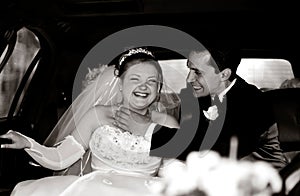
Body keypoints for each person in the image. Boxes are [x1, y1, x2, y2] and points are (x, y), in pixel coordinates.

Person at [0, 47, 180, 196]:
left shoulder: (168, 122)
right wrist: (28, 144)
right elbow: (61, 159)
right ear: (120, 84)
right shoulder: (98, 115)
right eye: (135, 79)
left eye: (152, 81)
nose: (144, 86)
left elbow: (176, 172)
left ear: (158, 89)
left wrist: (148, 129)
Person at [176, 47, 288, 169]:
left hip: (263, 177)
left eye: (197, 72)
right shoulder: (193, 100)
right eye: (189, 69)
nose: (189, 79)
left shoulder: (254, 102)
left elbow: (225, 152)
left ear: (224, 74)